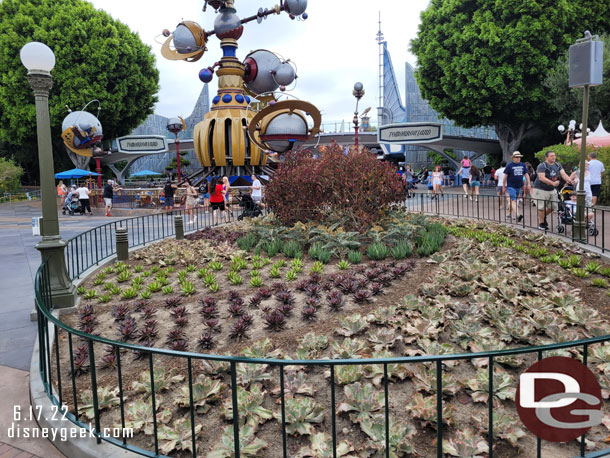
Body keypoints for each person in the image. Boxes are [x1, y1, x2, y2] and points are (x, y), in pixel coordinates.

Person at [533, 150, 574, 230]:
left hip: (551, 189)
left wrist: (570, 180)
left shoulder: (558, 165)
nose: (553, 157)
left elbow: (563, 174)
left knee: (553, 206)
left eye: (554, 155)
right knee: (541, 206)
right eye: (551, 156)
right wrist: (552, 183)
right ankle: (542, 223)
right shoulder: (542, 166)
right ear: (546, 157)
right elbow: (541, 178)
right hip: (541, 189)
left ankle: (542, 216)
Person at [502, 151, 530, 222]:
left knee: (513, 201)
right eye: (517, 157)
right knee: (513, 200)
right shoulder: (509, 165)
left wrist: (528, 183)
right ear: (513, 158)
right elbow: (505, 176)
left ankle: (508, 214)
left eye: (519, 157)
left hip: (519, 186)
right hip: (511, 186)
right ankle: (518, 215)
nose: (518, 158)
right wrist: (504, 186)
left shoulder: (523, 165)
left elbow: (526, 174)